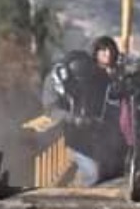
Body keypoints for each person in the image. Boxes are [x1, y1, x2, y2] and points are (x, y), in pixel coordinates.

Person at [42, 37, 128, 186]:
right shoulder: (55, 83)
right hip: (64, 139)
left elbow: (109, 107)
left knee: (112, 169)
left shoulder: (98, 79)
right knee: (93, 173)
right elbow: (51, 110)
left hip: (93, 136)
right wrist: (75, 119)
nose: (81, 86)